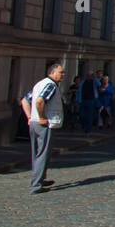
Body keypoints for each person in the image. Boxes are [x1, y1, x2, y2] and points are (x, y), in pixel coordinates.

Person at [27, 63, 65, 194]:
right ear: (52, 73)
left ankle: (40, 178)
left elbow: (25, 100)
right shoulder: (50, 85)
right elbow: (39, 101)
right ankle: (36, 184)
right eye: (61, 72)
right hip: (44, 124)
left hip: (34, 122)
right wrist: (42, 117)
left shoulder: (39, 84)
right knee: (43, 154)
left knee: (37, 154)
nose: (63, 75)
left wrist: (29, 116)